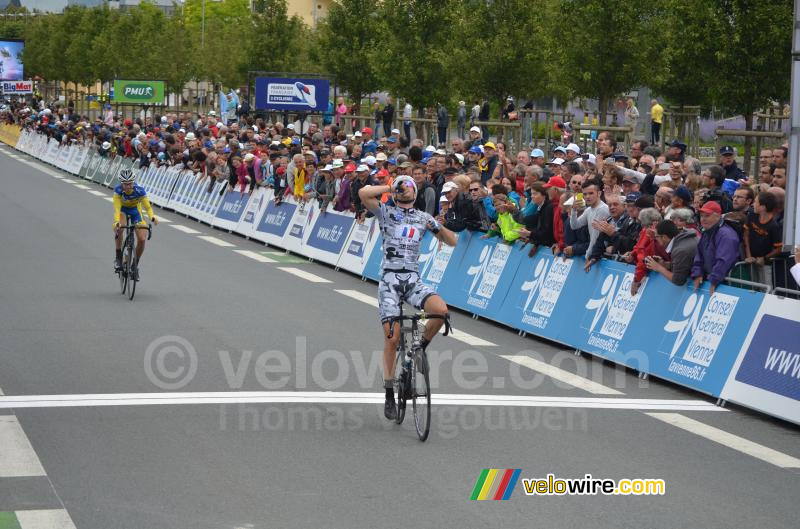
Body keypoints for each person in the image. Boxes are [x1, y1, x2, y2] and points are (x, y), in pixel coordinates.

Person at [358, 176, 457, 420]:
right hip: (390, 281)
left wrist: (437, 227)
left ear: (415, 192)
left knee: (441, 312)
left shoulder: (423, 217)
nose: (405, 189)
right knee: (392, 338)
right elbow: (364, 194)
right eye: (401, 186)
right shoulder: (385, 212)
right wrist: (391, 187)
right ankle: (389, 393)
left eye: (409, 185)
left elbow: (452, 241)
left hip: (413, 280)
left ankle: (419, 348)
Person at [113, 169, 159, 280]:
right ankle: (118, 257)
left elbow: (147, 207)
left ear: (133, 182)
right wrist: (116, 222)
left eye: (130, 184)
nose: (128, 186)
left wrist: (152, 217)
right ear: (121, 183)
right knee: (120, 228)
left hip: (135, 211)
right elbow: (117, 209)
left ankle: (134, 266)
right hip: (123, 211)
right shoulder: (118, 190)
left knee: (142, 239)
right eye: (125, 184)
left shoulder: (139, 190)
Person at [691, 201, 741, 295]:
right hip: (713, 279)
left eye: (707, 216)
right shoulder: (706, 232)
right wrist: (697, 274)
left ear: (718, 216)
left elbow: (724, 260)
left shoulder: (726, 235)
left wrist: (714, 280)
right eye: (701, 216)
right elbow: (699, 256)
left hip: (727, 284)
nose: (703, 219)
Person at [645, 220, 698, 286]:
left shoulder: (680, 250)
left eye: (656, 236)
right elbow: (685, 265)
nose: (655, 239)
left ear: (664, 237)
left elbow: (678, 280)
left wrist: (658, 267)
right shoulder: (685, 237)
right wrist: (665, 264)